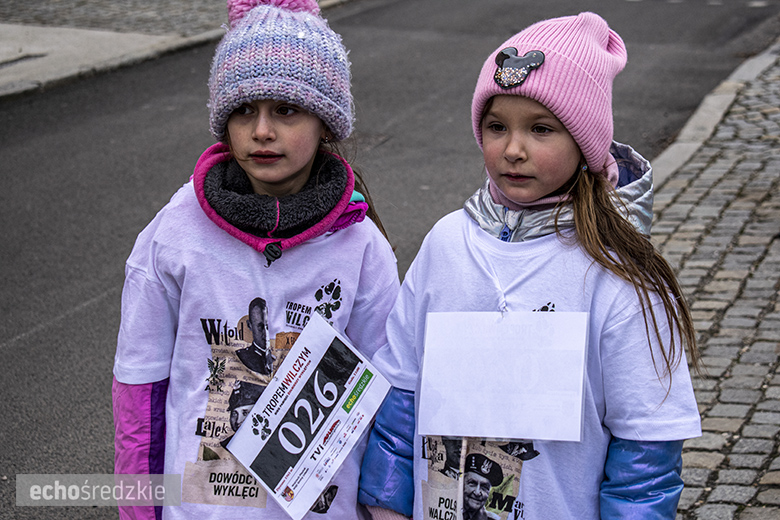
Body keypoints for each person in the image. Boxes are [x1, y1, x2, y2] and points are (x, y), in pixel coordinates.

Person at [358, 12, 702, 520]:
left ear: (585, 143)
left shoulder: (619, 273)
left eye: (541, 129)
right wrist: (386, 503)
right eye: (497, 127)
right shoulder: (446, 244)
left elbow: (645, 452)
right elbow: (402, 392)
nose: (513, 149)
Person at [112, 0, 400, 518]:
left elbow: (390, 399)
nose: (262, 130)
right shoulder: (174, 235)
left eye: (285, 110)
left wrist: (384, 507)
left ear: (326, 123)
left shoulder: (362, 248)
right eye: (244, 110)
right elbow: (141, 388)